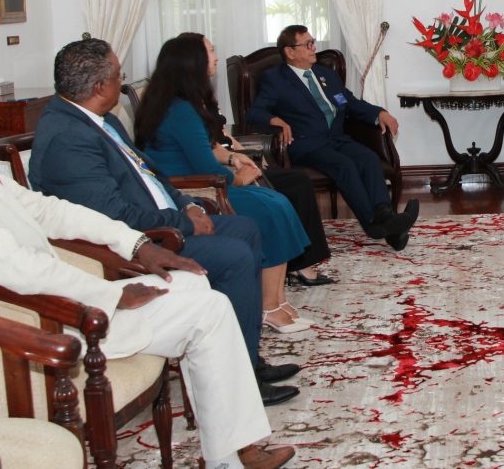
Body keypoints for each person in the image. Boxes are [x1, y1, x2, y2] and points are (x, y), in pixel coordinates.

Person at [0, 50, 294, 469]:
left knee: (194, 282)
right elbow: (18, 272)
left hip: (58, 297)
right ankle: (232, 457)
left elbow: (47, 210)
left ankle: (233, 448)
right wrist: (108, 294)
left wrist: (136, 244)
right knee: (210, 308)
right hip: (45, 322)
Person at [28, 38, 299, 405]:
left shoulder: (100, 120)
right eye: (118, 75)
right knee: (234, 255)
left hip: (164, 219)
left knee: (247, 229)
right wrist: (183, 223)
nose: (122, 80)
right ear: (99, 87)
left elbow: (150, 176)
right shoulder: (68, 139)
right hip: (142, 243)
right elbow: (114, 216)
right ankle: (236, 383)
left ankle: (245, 357)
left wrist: (189, 205)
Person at [134, 33, 315, 333]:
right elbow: (203, 165)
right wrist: (239, 177)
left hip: (202, 179)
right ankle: (267, 307)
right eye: (210, 51)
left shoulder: (179, 101)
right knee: (271, 208)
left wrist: (233, 160)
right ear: (192, 62)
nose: (216, 56)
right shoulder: (179, 109)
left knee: (278, 202)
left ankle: (277, 300)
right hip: (195, 189)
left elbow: (205, 150)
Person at [246, 25, 419, 251]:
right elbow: (254, 113)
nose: (313, 47)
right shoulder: (275, 79)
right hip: (306, 143)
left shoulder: (325, 74)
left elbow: (350, 103)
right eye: (307, 44)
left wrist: (379, 112)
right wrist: (275, 121)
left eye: (313, 41)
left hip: (336, 139)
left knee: (367, 158)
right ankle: (373, 224)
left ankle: (385, 218)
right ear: (289, 51)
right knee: (344, 165)